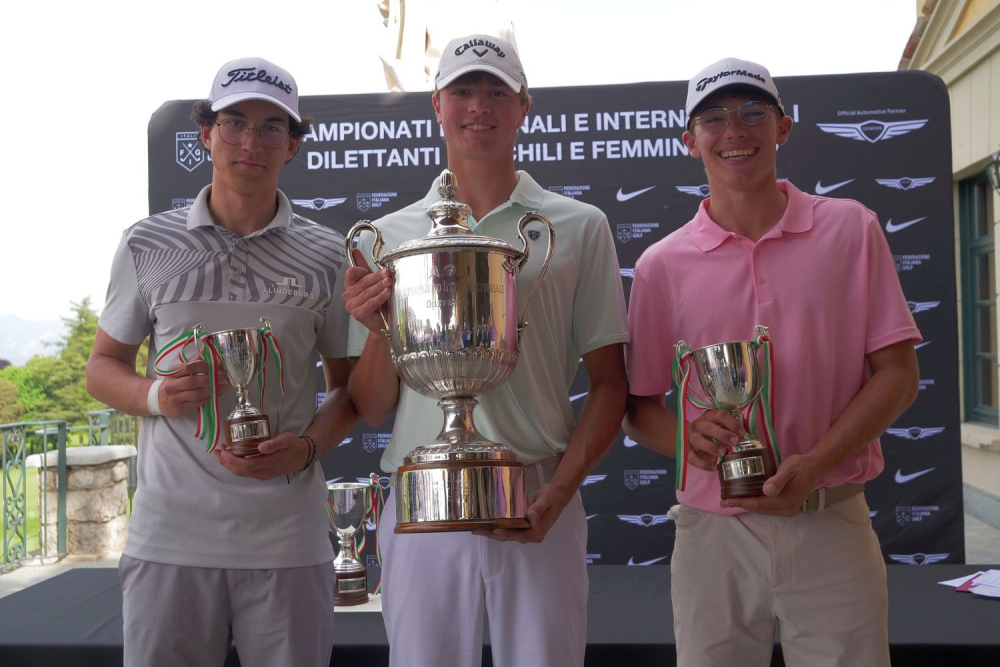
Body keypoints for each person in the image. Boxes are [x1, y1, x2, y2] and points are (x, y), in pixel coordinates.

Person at [341, 34, 629, 667]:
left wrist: (560, 492)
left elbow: (611, 383)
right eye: (464, 91)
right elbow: (369, 405)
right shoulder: (388, 235)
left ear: (523, 106)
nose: (480, 106)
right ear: (437, 106)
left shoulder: (577, 226)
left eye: (497, 91)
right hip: (421, 498)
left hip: (538, 495)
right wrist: (381, 325)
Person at [623, 57, 921, 667]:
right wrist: (686, 436)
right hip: (712, 530)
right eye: (713, 118)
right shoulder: (660, 264)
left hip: (830, 515)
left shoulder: (850, 228)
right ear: (690, 141)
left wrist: (815, 464)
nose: (735, 130)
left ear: (782, 127)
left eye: (752, 112)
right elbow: (637, 409)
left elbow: (898, 374)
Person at [86, 57, 356, 667]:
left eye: (269, 128)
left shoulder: (329, 253)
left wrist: (309, 447)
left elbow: (347, 392)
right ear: (205, 134)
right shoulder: (146, 243)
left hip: (288, 539)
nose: (249, 142)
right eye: (234, 122)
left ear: (292, 144)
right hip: (170, 536)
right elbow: (102, 367)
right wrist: (155, 395)